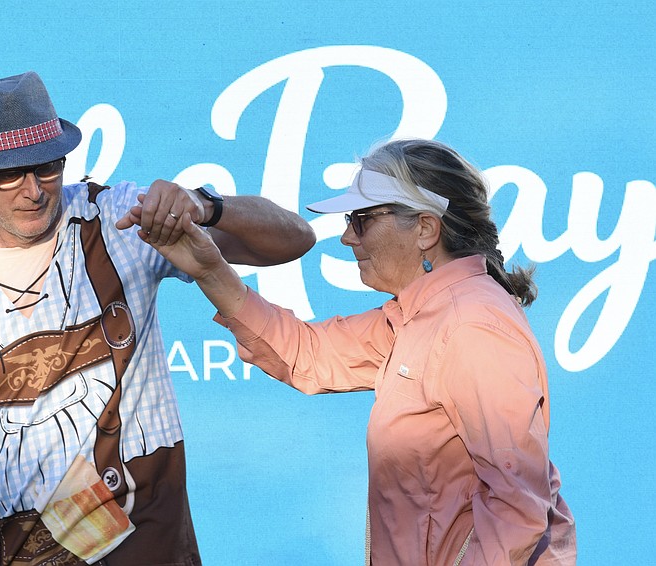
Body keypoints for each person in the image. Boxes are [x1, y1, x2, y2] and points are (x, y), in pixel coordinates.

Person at [0, 71, 316, 565]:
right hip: (9, 549)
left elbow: (295, 239)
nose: (34, 191)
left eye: (47, 167)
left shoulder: (121, 219)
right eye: (9, 174)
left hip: (144, 541)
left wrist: (206, 206)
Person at [142, 138, 577, 564]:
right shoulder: (423, 314)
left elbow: (517, 506)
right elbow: (307, 354)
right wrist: (208, 268)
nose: (348, 237)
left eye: (362, 219)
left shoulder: (472, 326)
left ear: (425, 228)